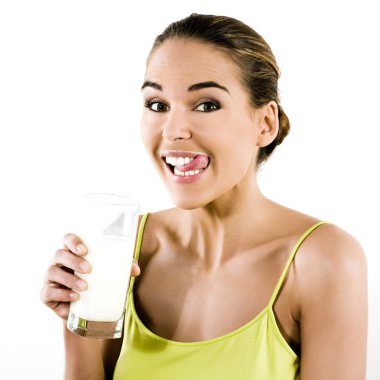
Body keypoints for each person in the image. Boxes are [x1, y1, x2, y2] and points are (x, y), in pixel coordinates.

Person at [40, 13, 368, 380]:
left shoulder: (324, 261)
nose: (173, 131)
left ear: (265, 123)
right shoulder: (122, 251)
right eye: (157, 105)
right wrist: (78, 323)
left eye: (206, 104)